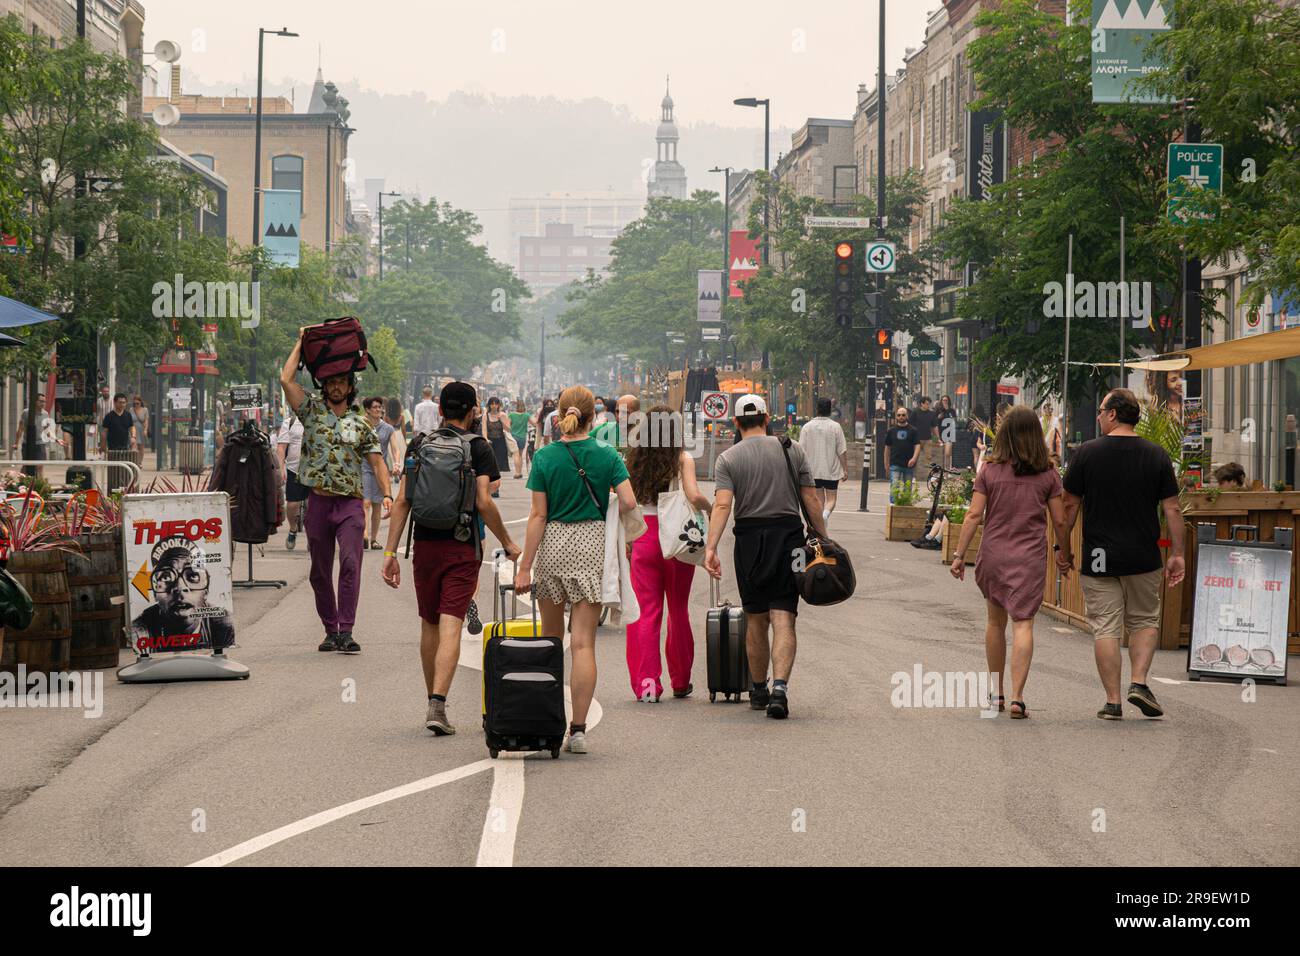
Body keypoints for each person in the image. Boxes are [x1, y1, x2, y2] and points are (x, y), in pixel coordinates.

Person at [381, 382, 520, 736]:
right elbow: (484, 503)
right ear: (473, 410)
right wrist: (507, 541)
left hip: (424, 543)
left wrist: (389, 552)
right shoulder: (480, 448)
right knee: (451, 623)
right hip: (462, 545)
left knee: (428, 622)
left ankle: (432, 698)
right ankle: (438, 704)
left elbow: (402, 501)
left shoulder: (419, 444)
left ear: (440, 410)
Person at [516, 385, 636, 753]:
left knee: (551, 642)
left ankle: (547, 721)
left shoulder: (546, 457)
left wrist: (524, 568)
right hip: (591, 547)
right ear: (592, 416)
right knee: (583, 643)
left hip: (553, 546)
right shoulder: (606, 454)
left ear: (561, 417)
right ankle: (579, 730)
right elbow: (630, 500)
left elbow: (538, 515)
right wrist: (607, 500)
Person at [1060, 388, 1184, 720]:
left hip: (1099, 555)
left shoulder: (1086, 453)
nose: (1098, 416)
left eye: (1101, 411)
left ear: (1114, 414)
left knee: (1106, 627)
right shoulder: (1156, 455)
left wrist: (1063, 548)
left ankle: (1113, 701)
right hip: (1143, 555)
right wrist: (1178, 553)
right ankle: (1139, 683)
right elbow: (1171, 508)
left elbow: (1069, 505)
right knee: (1144, 620)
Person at [704, 394, 827, 720]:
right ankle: (780, 689)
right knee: (784, 615)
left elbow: (722, 506)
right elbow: (811, 499)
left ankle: (758, 689)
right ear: (766, 417)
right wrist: (823, 540)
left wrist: (711, 547)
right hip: (790, 540)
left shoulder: (727, 459)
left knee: (755, 617)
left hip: (748, 543)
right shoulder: (791, 449)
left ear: (736, 422)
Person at [949, 406, 1071, 719]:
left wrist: (960, 555)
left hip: (993, 554)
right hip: (1029, 557)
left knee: (994, 623)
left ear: (1003, 435)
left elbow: (975, 515)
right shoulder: (1048, 474)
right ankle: (1018, 698)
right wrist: (1064, 553)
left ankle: (996, 694)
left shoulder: (989, 470)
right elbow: (1060, 520)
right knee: (1023, 623)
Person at [280, 331, 392, 655]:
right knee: (319, 569)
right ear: (324, 385)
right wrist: (301, 342)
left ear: (350, 386)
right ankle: (330, 630)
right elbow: (286, 379)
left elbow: (377, 461)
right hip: (317, 501)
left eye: (342, 381)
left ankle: (347, 629)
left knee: (351, 563)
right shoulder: (310, 413)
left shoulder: (361, 425)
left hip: (350, 505)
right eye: (331, 381)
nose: (336, 386)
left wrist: (387, 494)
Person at [625, 404, 712, 701]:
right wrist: (713, 509)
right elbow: (694, 495)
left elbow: (627, 502)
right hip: (675, 539)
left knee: (647, 613)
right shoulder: (681, 458)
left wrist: (627, 541)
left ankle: (648, 683)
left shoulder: (634, 460)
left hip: (644, 537)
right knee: (678, 609)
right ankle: (680, 680)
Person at [130, 536, 235, 649]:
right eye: (166, 577)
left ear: (206, 591)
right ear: (155, 593)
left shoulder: (222, 623)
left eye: (192, 576)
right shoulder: (140, 632)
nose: (180, 588)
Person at [798, 397, 848, 528]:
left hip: (813, 471)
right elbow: (841, 450)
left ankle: (820, 526)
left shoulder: (807, 427)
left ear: (817, 409)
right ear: (830, 410)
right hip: (831, 470)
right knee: (832, 499)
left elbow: (801, 450)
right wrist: (845, 469)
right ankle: (824, 516)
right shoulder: (835, 427)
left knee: (819, 499)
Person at [361, 397, 396, 550]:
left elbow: (395, 448)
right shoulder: (361, 425)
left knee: (376, 504)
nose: (378, 409)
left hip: (380, 469)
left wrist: (397, 462)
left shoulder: (388, 428)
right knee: (365, 502)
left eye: (380, 407)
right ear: (367, 409)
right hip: (364, 466)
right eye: (374, 407)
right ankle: (364, 535)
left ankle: (374, 539)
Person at [276, 411, 307, 550]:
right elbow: (281, 448)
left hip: (314, 471)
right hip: (294, 469)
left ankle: (313, 536)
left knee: (314, 506)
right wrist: (281, 468)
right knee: (293, 505)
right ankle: (293, 529)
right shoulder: (290, 422)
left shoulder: (320, 421)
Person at [883, 407, 920, 503]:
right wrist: (886, 463)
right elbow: (887, 448)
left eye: (903, 415)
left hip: (909, 464)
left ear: (907, 416)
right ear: (896, 417)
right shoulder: (891, 431)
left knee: (907, 488)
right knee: (894, 486)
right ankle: (893, 506)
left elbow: (917, 446)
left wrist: (914, 458)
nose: (901, 417)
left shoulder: (913, 430)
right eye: (899, 415)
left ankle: (906, 505)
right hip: (895, 463)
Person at [99, 393, 137, 459]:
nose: (122, 404)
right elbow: (104, 432)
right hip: (112, 448)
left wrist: (133, 437)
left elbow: (132, 427)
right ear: (115, 402)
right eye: (120, 402)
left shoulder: (128, 415)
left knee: (124, 467)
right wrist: (103, 446)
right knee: (113, 468)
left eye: (124, 402)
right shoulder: (109, 416)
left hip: (125, 447)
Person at [482, 396, 511, 478]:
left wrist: (501, 420)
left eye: (496, 404)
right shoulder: (486, 416)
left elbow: (508, 429)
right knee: (490, 462)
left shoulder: (503, 415)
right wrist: (485, 439)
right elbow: (484, 429)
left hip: (501, 441)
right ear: (489, 405)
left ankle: (496, 479)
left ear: (499, 405)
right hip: (490, 441)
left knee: (500, 463)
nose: (494, 406)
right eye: (492, 404)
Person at [385, 398, 408, 487]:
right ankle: (399, 471)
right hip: (399, 436)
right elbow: (404, 430)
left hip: (391, 436)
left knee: (391, 456)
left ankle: (394, 473)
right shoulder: (401, 416)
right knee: (401, 455)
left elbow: (386, 429)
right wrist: (405, 441)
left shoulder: (386, 417)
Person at [910, 396, 938, 467]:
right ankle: (914, 475)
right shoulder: (915, 412)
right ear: (921, 404)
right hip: (917, 439)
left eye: (929, 404)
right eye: (926, 404)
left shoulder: (932, 414)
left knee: (928, 458)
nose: (928, 405)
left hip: (928, 439)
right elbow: (910, 425)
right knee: (915, 457)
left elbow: (934, 427)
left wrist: (937, 438)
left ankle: (927, 475)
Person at [509, 399, 530, 478]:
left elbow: (508, 425)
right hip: (522, 438)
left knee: (516, 455)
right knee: (520, 455)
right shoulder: (527, 415)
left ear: (516, 406)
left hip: (514, 437)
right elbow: (534, 423)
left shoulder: (511, 415)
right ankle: (520, 472)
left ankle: (517, 472)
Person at [935, 395, 956, 468]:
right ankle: (941, 471)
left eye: (946, 400)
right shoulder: (938, 410)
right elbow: (934, 423)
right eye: (943, 400)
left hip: (949, 434)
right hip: (940, 433)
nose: (945, 401)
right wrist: (938, 417)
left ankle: (947, 471)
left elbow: (953, 421)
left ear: (948, 401)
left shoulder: (952, 411)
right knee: (940, 455)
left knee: (947, 453)